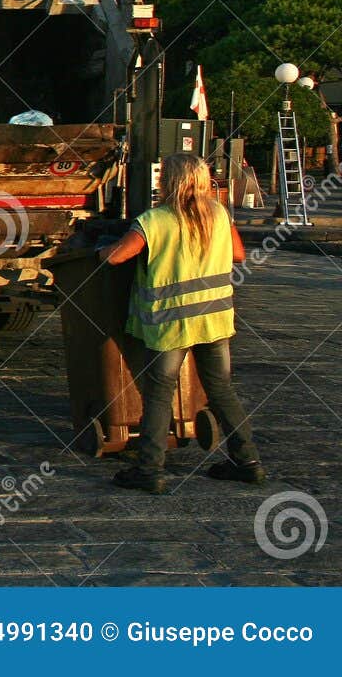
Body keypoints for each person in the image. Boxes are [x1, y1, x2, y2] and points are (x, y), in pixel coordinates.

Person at [99, 153, 265, 493]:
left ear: (169, 182)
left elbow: (117, 256)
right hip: (214, 321)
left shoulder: (155, 220)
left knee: (159, 394)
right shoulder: (219, 214)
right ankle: (248, 462)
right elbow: (238, 254)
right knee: (220, 389)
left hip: (171, 325)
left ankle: (150, 470)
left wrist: (101, 250)